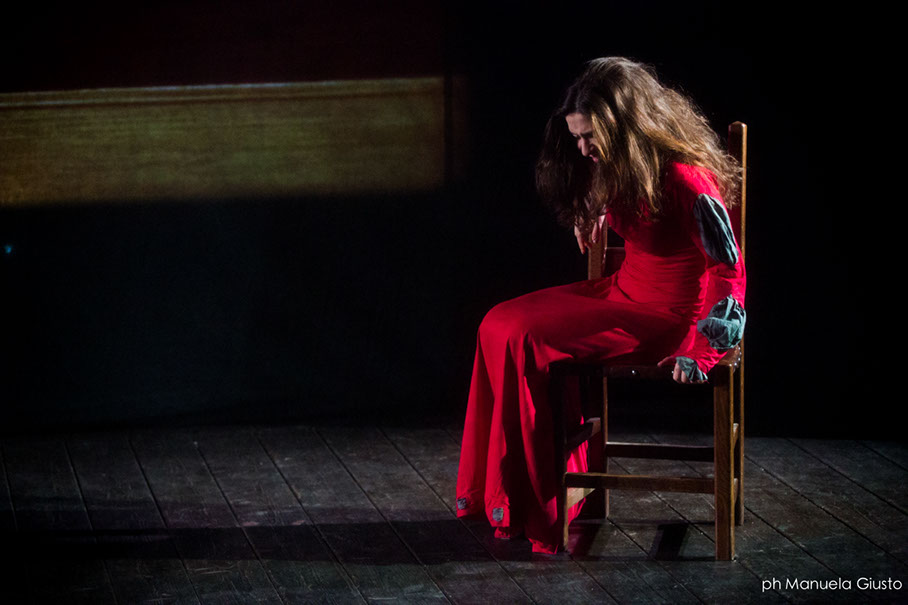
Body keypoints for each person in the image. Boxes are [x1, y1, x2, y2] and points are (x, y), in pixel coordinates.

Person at [455, 57, 746, 554]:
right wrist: (594, 210)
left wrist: (702, 350)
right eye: (577, 138)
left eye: (590, 136)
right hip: (619, 294)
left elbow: (730, 274)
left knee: (526, 337)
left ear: (626, 127)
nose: (583, 149)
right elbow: (632, 205)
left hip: (665, 319)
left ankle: (539, 506)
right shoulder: (623, 166)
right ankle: (519, 497)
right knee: (496, 321)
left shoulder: (686, 179)